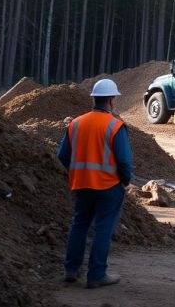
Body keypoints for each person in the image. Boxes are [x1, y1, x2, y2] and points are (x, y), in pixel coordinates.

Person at [57, 78, 133, 289]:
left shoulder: (75, 123)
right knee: (103, 229)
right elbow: (124, 161)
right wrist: (125, 181)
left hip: (81, 184)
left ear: (94, 99)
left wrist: (77, 173)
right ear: (110, 100)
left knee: (79, 224)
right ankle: (96, 274)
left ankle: (71, 270)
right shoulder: (115, 125)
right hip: (109, 187)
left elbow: (62, 155)